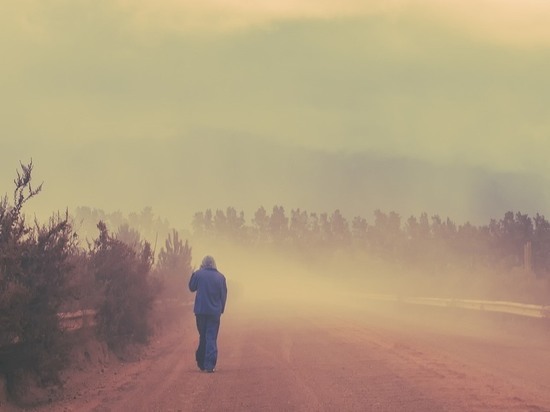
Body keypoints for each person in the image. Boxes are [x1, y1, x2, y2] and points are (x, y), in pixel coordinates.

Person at [189, 255, 228, 373]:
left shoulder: (199, 274)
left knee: (203, 335)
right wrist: (221, 309)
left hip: (200, 312)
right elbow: (223, 295)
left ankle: (201, 362)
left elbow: (191, 287)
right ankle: (209, 364)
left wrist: (193, 274)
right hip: (214, 312)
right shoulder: (221, 277)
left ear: (203, 263)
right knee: (211, 336)